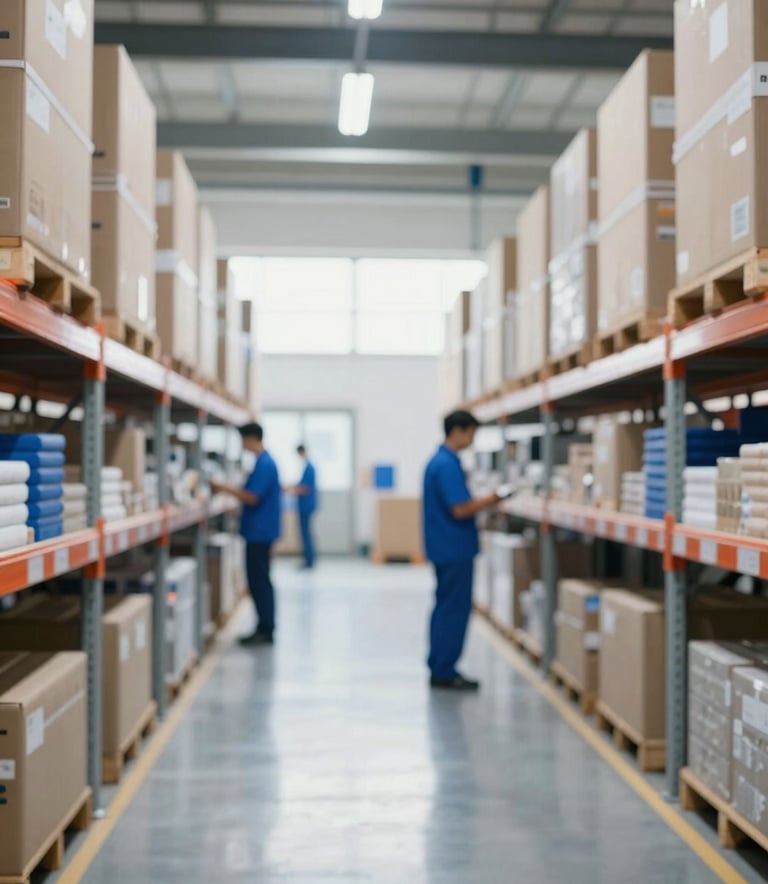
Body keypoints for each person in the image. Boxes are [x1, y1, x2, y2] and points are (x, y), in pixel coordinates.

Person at [423, 410, 506, 691]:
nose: (471, 439)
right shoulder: (446, 465)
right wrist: (492, 499)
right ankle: (445, 670)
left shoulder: (441, 461)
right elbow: (460, 508)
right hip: (453, 548)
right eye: (470, 433)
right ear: (457, 431)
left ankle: (440, 665)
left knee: (445, 606)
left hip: (445, 546)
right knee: (454, 610)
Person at [210, 422, 281, 646]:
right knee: (258, 580)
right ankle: (264, 626)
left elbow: (252, 496)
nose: (243, 445)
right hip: (258, 530)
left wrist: (222, 487)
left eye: (243, 440)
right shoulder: (263, 463)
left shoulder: (265, 464)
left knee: (259, 581)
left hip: (260, 533)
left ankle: (266, 629)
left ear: (252, 439)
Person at [288, 444, 318, 570]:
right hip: (305, 505)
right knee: (305, 533)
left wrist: (290, 489)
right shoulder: (307, 467)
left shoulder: (309, 468)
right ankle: (308, 559)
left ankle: (309, 560)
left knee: (306, 533)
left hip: (306, 505)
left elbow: (305, 488)